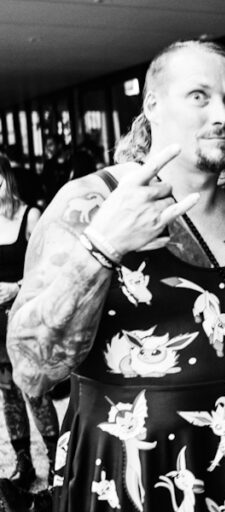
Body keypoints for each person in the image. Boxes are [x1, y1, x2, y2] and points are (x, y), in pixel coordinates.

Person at [5, 40, 225, 512]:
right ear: (152, 106)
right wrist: (101, 247)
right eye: (199, 96)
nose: (223, 115)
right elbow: (31, 372)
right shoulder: (88, 202)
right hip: (121, 470)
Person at [0, 156, 59, 489]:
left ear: (8, 179)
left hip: (24, 314)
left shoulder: (30, 216)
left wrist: (16, 287)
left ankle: (57, 461)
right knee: (8, 392)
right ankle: (23, 463)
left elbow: (48, 266)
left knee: (34, 389)